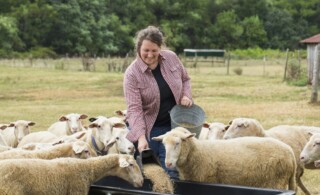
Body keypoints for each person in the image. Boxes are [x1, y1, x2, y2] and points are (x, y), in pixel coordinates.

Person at [123, 25, 193, 180]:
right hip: (149, 128)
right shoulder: (132, 74)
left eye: (154, 50)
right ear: (138, 48)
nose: (150, 55)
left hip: (174, 126)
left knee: (173, 170)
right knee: (151, 172)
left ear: (160, 48)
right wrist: (141, 137)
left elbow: (185, 79)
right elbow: (134, 109)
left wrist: (186, 95)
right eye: (146, 50)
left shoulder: (171, 58)